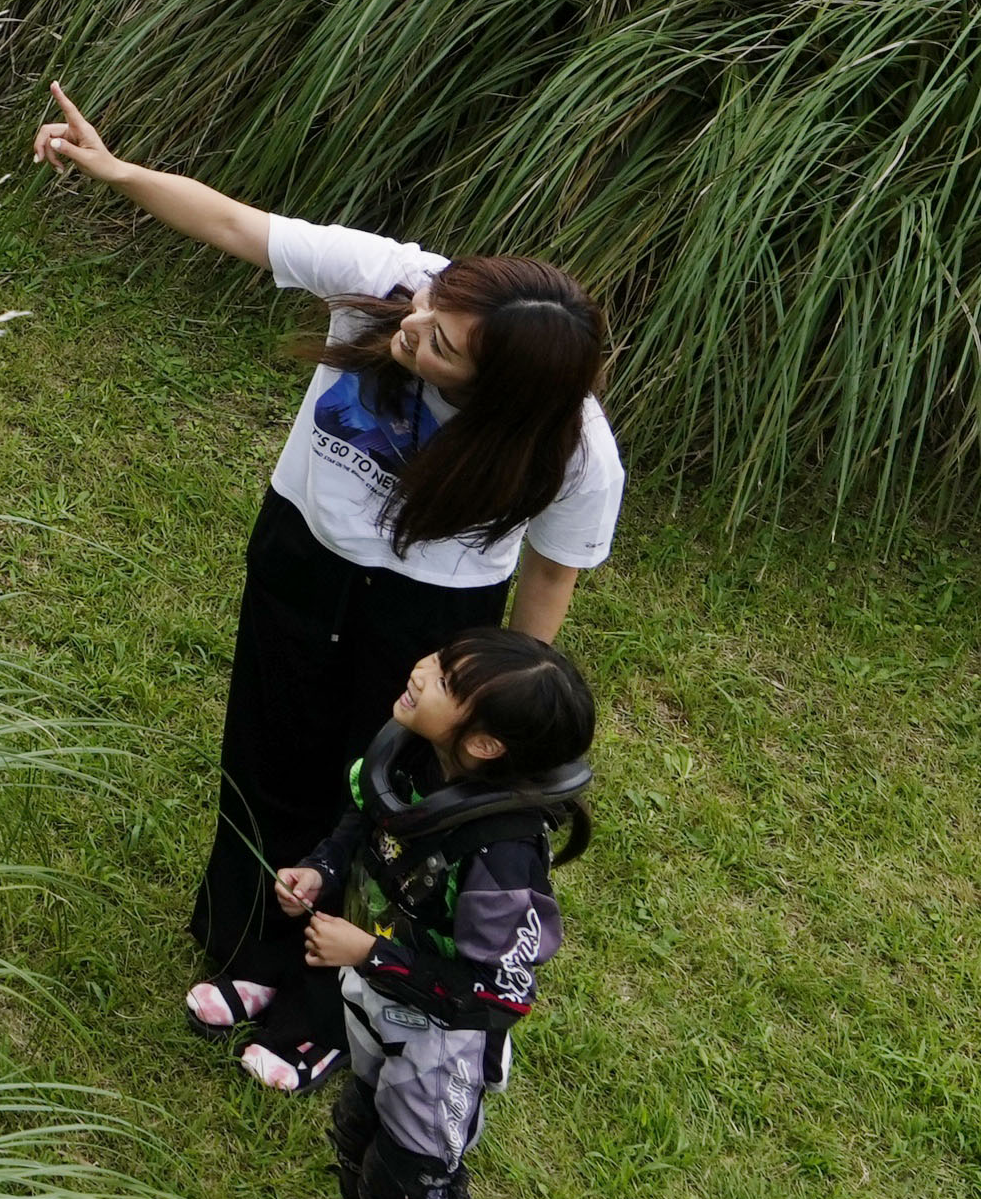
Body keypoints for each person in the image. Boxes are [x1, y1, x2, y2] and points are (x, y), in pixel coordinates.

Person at [31, 82, 619, 1088]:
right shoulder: (397, 283)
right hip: (301, 554)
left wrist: (507, 700)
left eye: (441, 345)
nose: (414, 325)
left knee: (381, 801)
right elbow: (234, 225)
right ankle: (248, 943)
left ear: (502, 395)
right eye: (434, 309)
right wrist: (118, 170)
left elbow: (552, 574)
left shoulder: (572, 456)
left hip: (428, 618)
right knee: (265, 751)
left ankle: (324, 1004)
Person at [255, 626, 595, 1199]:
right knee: (357, 1134)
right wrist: (320, 867)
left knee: (411, 1177)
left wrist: (370, 951)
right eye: (438, 661)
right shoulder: (410, 757)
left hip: (445, 1043)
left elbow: (489, 992)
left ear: (485, 746)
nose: (420, 669)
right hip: (381, 1006)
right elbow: (366, 822)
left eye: (443, 678)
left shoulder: (502, 852)